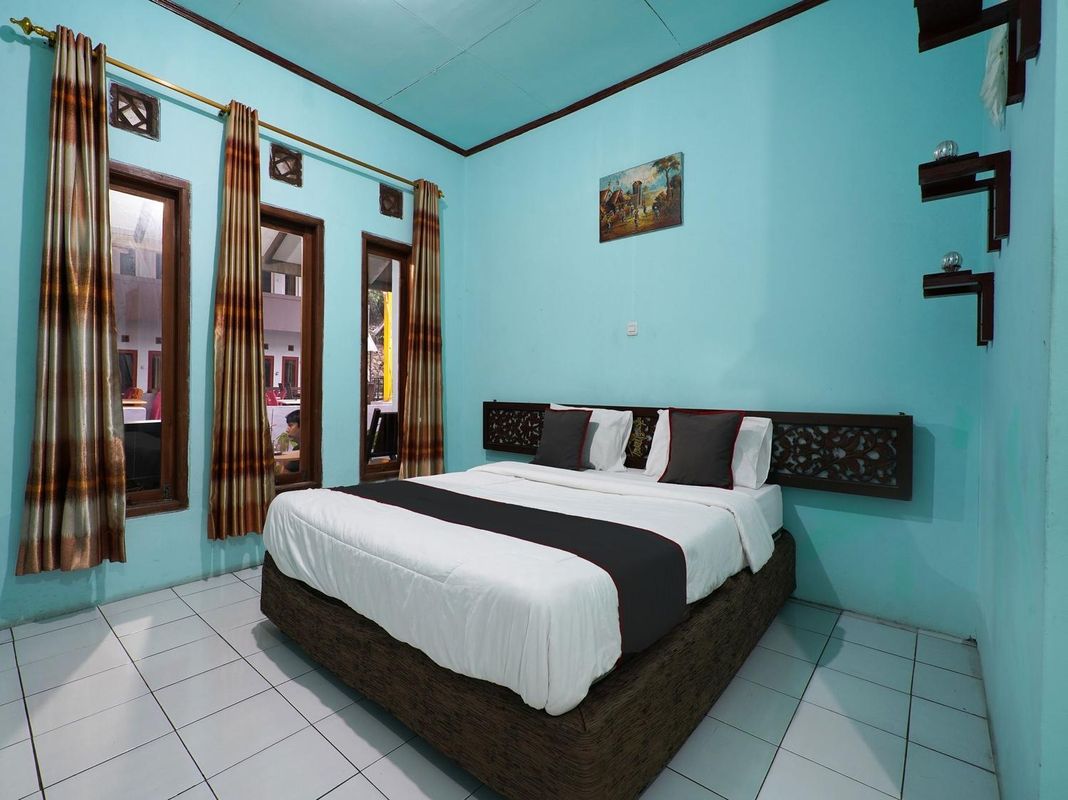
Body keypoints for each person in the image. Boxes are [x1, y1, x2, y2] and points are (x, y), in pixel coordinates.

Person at [274, 409, 300, 474]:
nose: (287, 430)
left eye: (290, 425)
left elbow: (285, 474)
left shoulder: (305, 450)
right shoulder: (297, 448)